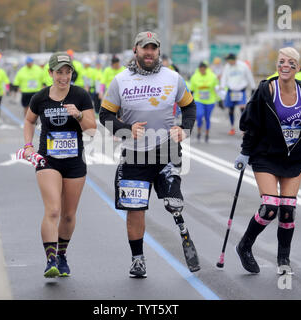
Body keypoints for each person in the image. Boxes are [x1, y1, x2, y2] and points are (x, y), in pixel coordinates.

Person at [99, 31, 200, 278]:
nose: (149, 52)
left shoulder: (173, 78)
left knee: (172, 203)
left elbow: (189, 106)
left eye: (153, 48)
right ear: (135, 50)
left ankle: (176, 209)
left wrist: (184, 128)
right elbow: (104, 115)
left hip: (166, 149)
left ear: (158, 51)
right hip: (134, 154)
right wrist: (125, 129)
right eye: (145, 48)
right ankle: (138, 260)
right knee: (135, 210)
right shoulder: (120, 80)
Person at [233, 47, 301, 275]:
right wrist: (245, 153)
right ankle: (245, 245)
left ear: (298, 67)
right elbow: (251, 123)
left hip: (294, 158)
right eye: (281, 61)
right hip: (266, 154)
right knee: (270, 207)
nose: (285, 65)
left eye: (291, 62)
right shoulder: (266, 90)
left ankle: (283, 259)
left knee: (287, 210)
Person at [18, 51, 96, 278]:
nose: (64, 77)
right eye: (59, 72)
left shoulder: (80, 95)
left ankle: (61, 256)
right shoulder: (40, 97)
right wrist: (28, 145)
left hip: (74, 162)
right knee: (53, 210)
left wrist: (79, 115)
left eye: (68, 72)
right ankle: (50, 259)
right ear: (50, 73)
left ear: (72, 73)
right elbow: (29, 120)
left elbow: (92, 130)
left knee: (69, 215)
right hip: (48, 160)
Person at [220, 53, 256, 135]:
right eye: (228, 61)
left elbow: (249, 76)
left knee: (242, 110)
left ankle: (244, 128)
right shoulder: (227, 67)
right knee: (231, 110)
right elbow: (224, 78)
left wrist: (253, 87)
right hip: (231, 91)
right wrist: (222, 89)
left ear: (234, 59)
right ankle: (232, 127)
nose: (229, 62)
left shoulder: (243, 66)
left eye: (230, 60)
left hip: (241, 90)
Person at [189, 61, 219, 142]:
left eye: (204, 69)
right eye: (201, 69)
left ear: (206, 69)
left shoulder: (212, 76)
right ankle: (199, 131)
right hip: (199, 100)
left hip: (210, 101)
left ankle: (207, 134)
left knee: (207, 118)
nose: (202, 70)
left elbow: (217, 88)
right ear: (199, 69)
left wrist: (220, 99)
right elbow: (191, 89)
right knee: (199, 115)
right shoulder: (195, 77)